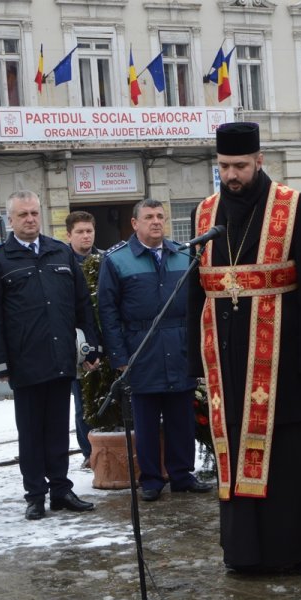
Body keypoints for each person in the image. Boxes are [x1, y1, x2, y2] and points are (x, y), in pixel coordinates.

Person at [186, 121, 301, 575]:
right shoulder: (205, 213)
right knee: (231, 447)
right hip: (224, 358)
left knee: (286, 454)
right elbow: (197, 290)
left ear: (259, 161)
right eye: (225, 166)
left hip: (280, 357)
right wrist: (195, 359)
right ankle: (243, 551)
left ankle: (293, 550)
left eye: (241, 166)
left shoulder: (294, 207)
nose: (233, 175)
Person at [0, 190, 102, 520]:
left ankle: (61, 489)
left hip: (61, 356)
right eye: (23, 215)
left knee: (58, 428)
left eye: (34, 213)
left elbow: (81, 306)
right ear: (11, 219)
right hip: (24, 361)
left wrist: (90, 345)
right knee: (31, 431)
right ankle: (35, 494)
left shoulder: (59, 252)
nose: (30, 219)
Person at [97, 199, 213, 502]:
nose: (156, 221)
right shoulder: (118, 260)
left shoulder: (183, 254)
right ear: (135, 224)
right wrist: (120, 358)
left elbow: (197, 305)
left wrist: (198, 349)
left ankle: (182, 474)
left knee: (181, 417)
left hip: (179, 344)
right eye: (148, 217)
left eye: (161, 216)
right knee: (146, 420)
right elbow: (108, 312)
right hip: (141, 346)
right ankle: (150, 478)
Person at [65, 210, 99, 468]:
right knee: (82, 402)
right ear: (69, 235)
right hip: (75, 343)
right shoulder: (63, 262)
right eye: (80, 232)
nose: (86, 236)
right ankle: (89, 451)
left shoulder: (105, 260)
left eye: (89, 231)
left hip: (104, 339)